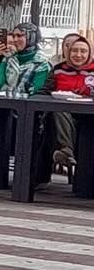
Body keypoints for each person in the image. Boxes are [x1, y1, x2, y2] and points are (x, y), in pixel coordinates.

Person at [51, 34, 93, 170]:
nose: (78, 55)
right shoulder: (58, 69)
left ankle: (68, 153)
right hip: (64, 114)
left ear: (89, 53)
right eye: (74, 51)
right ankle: (66, 150)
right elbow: (44, 91)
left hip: (88, 115)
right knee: (59, 109)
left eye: (83, 51)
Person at [0, 21, 52, 95]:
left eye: (19, 36)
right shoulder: (9, 59)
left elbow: (34, 91)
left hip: (28, 102)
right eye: (14, 36)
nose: (15, 39)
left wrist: (9, 90)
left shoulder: (42, 63)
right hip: (5, 101)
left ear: (31, 37)